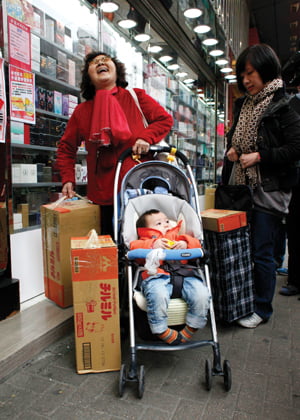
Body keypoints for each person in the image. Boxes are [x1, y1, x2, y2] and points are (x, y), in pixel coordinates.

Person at [222, 44, 300, 328]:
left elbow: (295, 148)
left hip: (269, 190)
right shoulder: (243, 104)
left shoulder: (283, 105)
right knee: (242, 249)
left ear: (266, 70)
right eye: (242, 74)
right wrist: (232, 149)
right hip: (240, 189)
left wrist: (261, 156)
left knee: (261, 252)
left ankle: (262, 309)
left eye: (250, 73)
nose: (245, 80)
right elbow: (234, 138)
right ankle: (242, 301)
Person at [56, 52, 173, 236]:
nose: (101, 62)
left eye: (105, 60)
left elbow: (164, 120)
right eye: (94, 62)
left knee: (142, 243)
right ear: (89, 76)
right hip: (102, 194)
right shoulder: (82, 111)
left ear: (117, 71)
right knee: (110, 248)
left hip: (139, 188)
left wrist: (145, 137)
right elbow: (66, 147)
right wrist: (68, 178)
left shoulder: (136, 98)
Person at [130, 209, 211, 345]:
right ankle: (161, 330)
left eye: (167, 221)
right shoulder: (144, 241)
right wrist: (152, 246)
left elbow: (197, 245)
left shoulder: (179, 237)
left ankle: (192, 327)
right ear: (145, 229)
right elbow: (133, 249)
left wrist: (186, 244)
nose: (166, 224)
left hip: (185, 274)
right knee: (157, 295)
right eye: (159, 223)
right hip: (156, 276)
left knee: (202, 294)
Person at [279, 87, 300, 296]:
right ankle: (294, 279)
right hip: (295, 176)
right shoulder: (293, 105)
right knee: (293, 230)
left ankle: (295, 280)